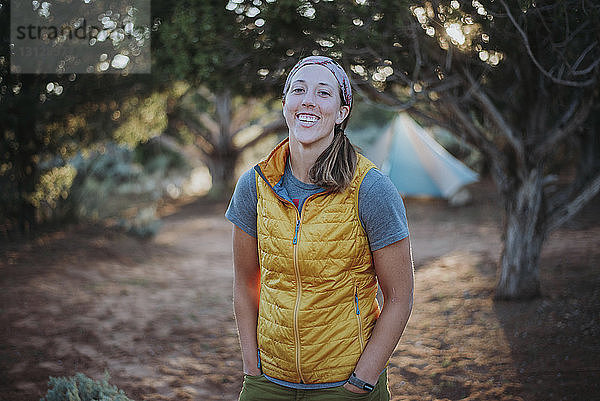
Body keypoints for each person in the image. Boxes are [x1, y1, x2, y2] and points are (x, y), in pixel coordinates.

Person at [225, 55, 414, 400]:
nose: (308, 100)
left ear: (342, 112)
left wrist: (361, 382)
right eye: (298, 90)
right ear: (285, 105)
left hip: (345, 387)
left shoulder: (371, 189)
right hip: (268, 384)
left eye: (324, 93)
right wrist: (252, 370)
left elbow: (400, 297)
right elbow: (245, 283)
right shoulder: (253, 186)